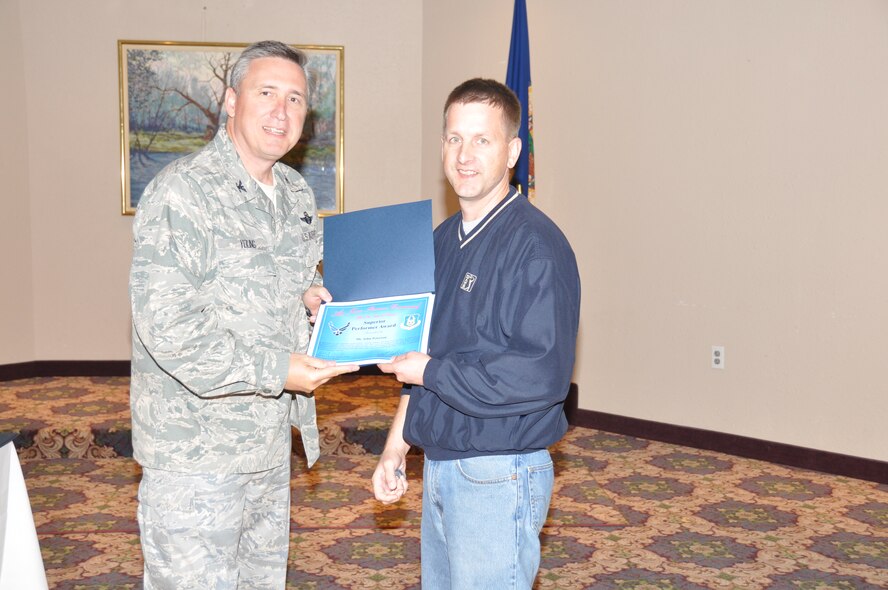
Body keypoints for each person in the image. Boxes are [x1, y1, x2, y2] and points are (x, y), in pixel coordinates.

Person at [129, 40, 358, 589]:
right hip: (195, 454)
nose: (282, 112)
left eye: (297, 100)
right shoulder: (183, 193)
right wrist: (277, 370)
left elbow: (291, 286)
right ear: (232, 100)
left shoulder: (297, 195)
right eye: (267, 93)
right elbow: (169, 328)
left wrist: (311, 299)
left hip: (268, 444)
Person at [371, 78, 581, 589]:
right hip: (441, 465)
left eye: (482, 140)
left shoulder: (536, 248)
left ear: (512, 151)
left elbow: (540, 376)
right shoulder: (440, 242)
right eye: (453, 139)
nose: (464, 155)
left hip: (499, 473)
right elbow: (420, 355)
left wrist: (429, 369)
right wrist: (396, 447)